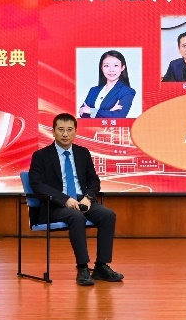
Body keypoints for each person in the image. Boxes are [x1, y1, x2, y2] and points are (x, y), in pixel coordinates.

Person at [27, 113, 122, 285]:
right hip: (55, 205)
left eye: (69, 130)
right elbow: (37, 184)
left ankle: (101, 266)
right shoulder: (41, 156)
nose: (65, 134)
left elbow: (94, 180)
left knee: (108, 215)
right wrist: (65, 200)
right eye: (61, 130)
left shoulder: (82, 153)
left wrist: (88, 198)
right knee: (76, 217)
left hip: (81, 200)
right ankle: (83, 268)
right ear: (53, 131)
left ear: (75, 132)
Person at [80, 50, 136, 118]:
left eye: (116, 65)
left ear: (122, 68)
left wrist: (91, 111)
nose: (111, 70)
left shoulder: (127, 92)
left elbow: (118, 116)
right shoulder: (93, 90)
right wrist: (109, 111)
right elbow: (83, 114)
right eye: (106, 66)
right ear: (101, 68)